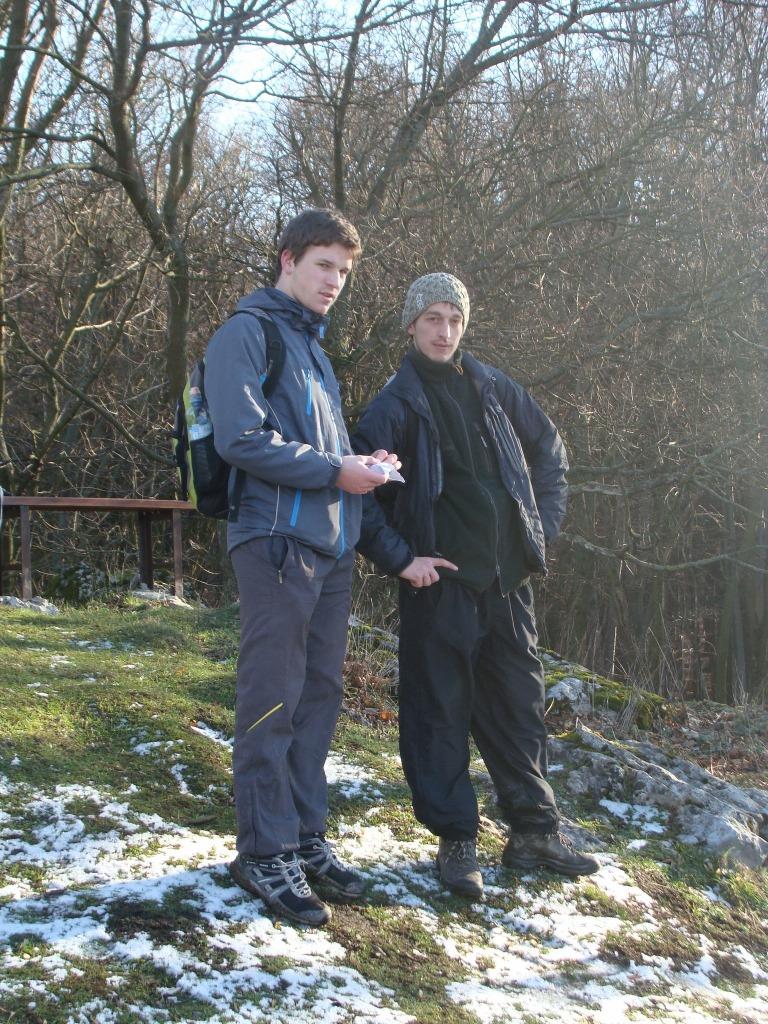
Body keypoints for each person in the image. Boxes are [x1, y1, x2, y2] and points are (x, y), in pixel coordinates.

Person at [353, 272, 598, 899]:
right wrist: (402, 559)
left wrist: (538, 529)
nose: (444, 331)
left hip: (508, 582)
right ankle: (456, 841)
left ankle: (534, 832)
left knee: (519, 707)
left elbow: (550, 452)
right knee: (439, 712)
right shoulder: (394, 405)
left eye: (454, 320)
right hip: (440, 586)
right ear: (411, 325)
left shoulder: (492, 387)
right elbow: (358, 495)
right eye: (433, 319)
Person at [204, 209, 396, 926]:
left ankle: (304, 837)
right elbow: (240, 438)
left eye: (344, 271)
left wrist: (363, 466)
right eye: (324, 265)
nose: (335, 281)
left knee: (317, 697)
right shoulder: (247, 332)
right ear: (287, 259)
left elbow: (322, 451)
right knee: (273, 696)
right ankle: (263, 850)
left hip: (329, 546)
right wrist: (334, 470)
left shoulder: (312, 347)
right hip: (275, 542)